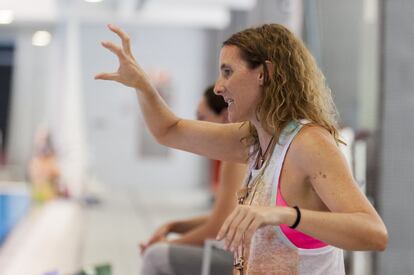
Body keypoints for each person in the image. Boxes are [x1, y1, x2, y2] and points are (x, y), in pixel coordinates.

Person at [95, 23, 388, 274]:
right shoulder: (252, 140)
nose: (219, 87)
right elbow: (168, 130)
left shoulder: (309, 143)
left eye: (228, 72)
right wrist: (143, 86)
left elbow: (374, 233)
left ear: (264, 73)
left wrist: (286, 215)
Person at [139, 86, 246, 275]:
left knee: (155, 256)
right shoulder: (236, 154)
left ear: (225, 116)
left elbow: (218, 227)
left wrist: (168, 244)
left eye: (202, 118)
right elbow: (227, 217)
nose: (198, 125)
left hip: (245, 260)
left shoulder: (235, 158)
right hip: (243, 253)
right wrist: (175, 226)